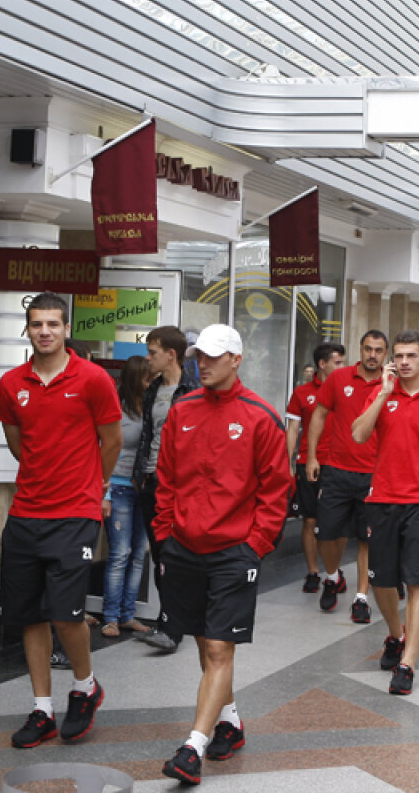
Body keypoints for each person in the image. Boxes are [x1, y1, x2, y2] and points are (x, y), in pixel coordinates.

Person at [154, 324, 292, 785]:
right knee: (204, 640)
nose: (203, 364)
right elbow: (166, 478)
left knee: (217, 645)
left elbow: (277, 489)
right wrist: (164, 535)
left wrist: (255, 545)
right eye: (199, 356)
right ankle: (228, 720)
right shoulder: (183, 410)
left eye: (213, 356)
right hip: (184, 546)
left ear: (236, 359)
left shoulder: (261, 416)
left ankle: (192, 747)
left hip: (235, 550)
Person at [0, 293, 123, 748]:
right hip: (25, 514)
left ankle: (85, 688)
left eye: (53, 324)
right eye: (37, 324)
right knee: (30, 616)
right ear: (27, 330)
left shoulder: (93, 379)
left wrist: (92, 486)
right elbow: (18, 444)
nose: (45, 331)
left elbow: (112, 441)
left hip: (75, 514)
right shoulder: (11, 383)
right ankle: (42, 710)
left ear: (67, 329)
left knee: (66, 615)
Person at [351, 330, 419, 694]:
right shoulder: (381, 393)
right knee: (381, 581)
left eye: (411, 356)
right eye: (398, 356)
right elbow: (358, 435)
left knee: (416, 581)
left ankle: (408, 663)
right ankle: (395, 635)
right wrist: (383, 394)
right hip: (382, 498)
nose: (403, 362)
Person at [304, 330, 388, 622]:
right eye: (368, 349)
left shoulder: (390, 384)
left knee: (367, 539)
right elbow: (318, 415)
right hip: (337, 471)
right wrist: (312, 456)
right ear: (360, 350)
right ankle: (332, 576)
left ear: (385, 354)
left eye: (379, 350)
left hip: (374, 475)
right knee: (326, 533)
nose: (372, 355)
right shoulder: (338, 379)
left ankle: (361, 597)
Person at [133, 325, 199, 653]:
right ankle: (169, 620)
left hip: (179, 483)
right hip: (151, 480)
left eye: (153, 352)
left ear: (171, 354)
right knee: (159, 552)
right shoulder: (152, 390)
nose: (148, 358)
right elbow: (147, 434)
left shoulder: (194, 390)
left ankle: (173, 626)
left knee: (174, 554)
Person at [285, 342, 347, 592]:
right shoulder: (302, 393)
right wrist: (287, 463)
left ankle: (334, 570)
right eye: (337, 362)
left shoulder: (346, 390)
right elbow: (293, 430)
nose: (342, 366)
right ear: (322, 364)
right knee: (310, 521)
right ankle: (313, 572)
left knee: (338, 524)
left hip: (339, 465)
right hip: (307, 463)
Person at [100, 355, 152, 638]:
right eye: (147, 377)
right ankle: (110, 617)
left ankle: (127, 615)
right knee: (120, 554)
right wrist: (104, 492)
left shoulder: (150, 408)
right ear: (135, 379)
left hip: (141, 490)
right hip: (118, 487)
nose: (151, 381)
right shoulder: (117, 409)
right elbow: (104, 448)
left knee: (138, 554)